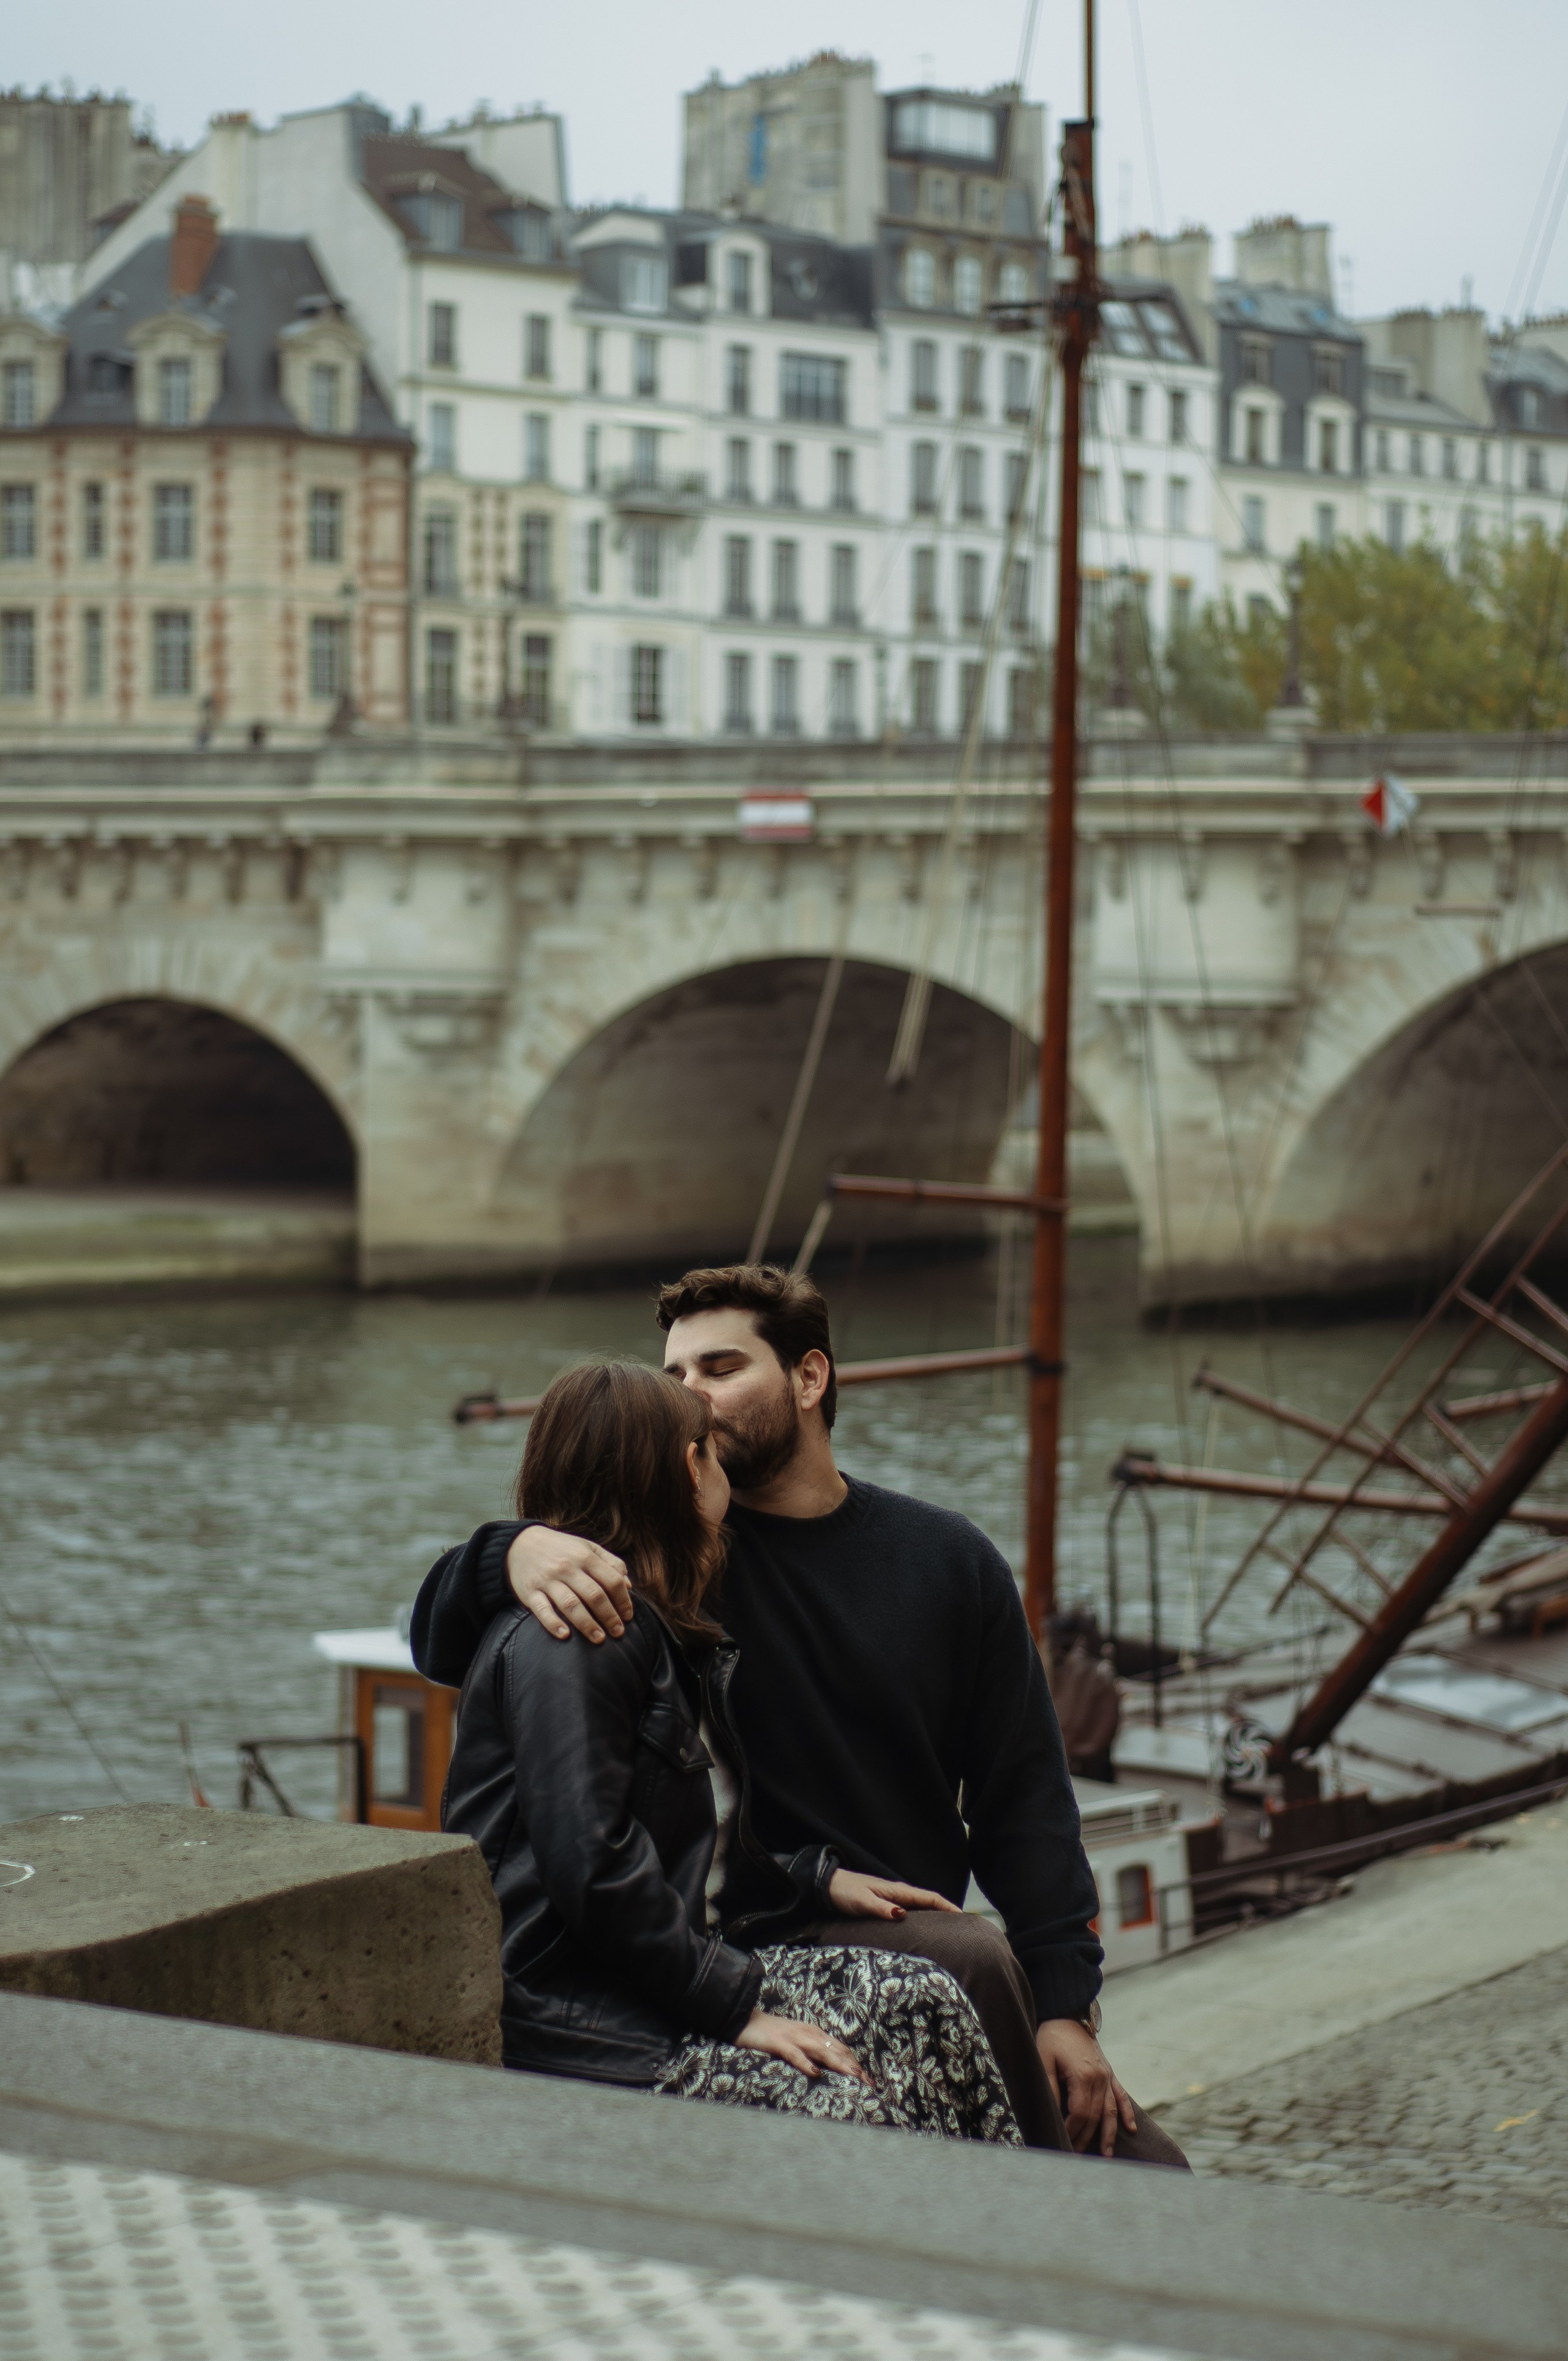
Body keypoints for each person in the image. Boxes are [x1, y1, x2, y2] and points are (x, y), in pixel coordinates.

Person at [417, 1263, 1186, 2166]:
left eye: (719, 1368)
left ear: (810, 1378)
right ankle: (1044, 2230)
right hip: (735, 1936)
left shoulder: (947, 1560)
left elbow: (1024, 1800)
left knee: (1140, 2154)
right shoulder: (655, 1569)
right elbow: (452, 1642)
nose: (691, 1400)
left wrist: (1064, 2006)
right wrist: (507, 1551)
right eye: (675, 1380)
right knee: (963, 1966)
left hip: (853, 1905)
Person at [442, 1354, 1022, 2146]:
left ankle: (995, 2233)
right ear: (689, 1465)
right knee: (842, 2104)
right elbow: (593, 1863)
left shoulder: (649, 1622)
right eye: (710, 1447)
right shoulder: (584, 1637)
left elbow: (683, 1836)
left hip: (650, 1981)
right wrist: (736, 2011)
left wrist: (811, 1879)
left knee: (923, 1999)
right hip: (580, 2017)